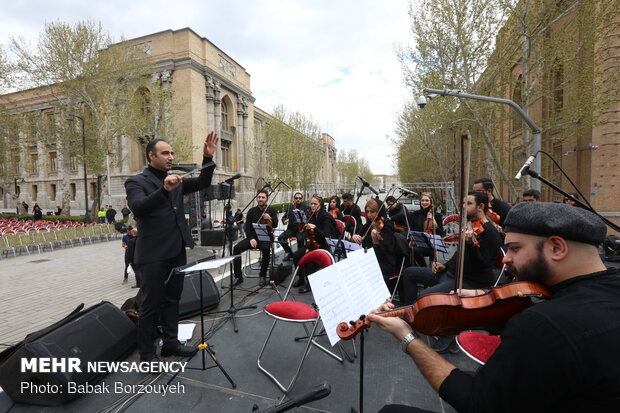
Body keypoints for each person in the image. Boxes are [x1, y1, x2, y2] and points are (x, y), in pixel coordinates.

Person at [369, 201, 619, 413]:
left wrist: (407, 336)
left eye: (514, 248)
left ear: (556, 248)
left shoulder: (543, 324)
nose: (506, 258)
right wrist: (483, 294)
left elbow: (475, 402)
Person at [125, 131, 218, 363]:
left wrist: (207, 159)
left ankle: (171, 344)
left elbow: (203, 182)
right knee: (149, 306)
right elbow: (139, 207)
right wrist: (164, 190)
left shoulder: (176, 180)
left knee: (173, 300)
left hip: (176, 251)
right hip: (153, 255)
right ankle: (147, 356)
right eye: (165, 153)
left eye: (172, 153)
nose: (170, 157)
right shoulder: (137, 181)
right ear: (151, 156)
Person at [400, 191, 502, 352]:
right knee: (409, 273)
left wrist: (470, 245)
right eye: (463, 203)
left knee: (425, 296)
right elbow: (458, 255)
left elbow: (484, 264)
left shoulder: (491, 234)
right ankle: (411, 317)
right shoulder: (469, 225)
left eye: (467, 203)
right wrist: (445, 265)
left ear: (480, 206)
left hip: (468, 280)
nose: (462, 207)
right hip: (449, 273)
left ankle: (448, 333)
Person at [292, 195, 338, 293]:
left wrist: (315, 228)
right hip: (313, 244)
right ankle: (301, 279)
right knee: (296, 255)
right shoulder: (312, 216)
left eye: (315, 204)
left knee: (310, 257)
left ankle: (309, 284)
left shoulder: (326, 218)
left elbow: (327, 238)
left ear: (320, 205)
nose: (312, 206)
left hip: (325, 246)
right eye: (311, 204)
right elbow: (308, 234)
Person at [232, 190, 279, 287]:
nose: (261, 199)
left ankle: (262, 275)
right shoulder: (251, 211)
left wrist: (270, 218)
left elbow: (275, 225)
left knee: (266, 249)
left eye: (263, 197)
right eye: (259, 197)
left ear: (267, 199)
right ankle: (238, 276)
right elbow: (247, 227)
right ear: (256, 198)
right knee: (236, 249)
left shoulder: (271, 210)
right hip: (253, 238)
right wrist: (251, 238)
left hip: (265, 238)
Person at [351, 198, 399, 288]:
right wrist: (354, 237)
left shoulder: (387, 226)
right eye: (367, 212)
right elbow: (358, 235)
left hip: (384, 261)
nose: (369, 215)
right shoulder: (368, 225)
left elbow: (387, 250)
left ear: (379, 211)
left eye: (372, 212)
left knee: (362, 271)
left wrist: (376, 242)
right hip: (370, 259)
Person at [408, 192, 445, 267]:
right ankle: (418, 268)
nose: (424, 202)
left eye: (427, 200)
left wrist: (435, 224)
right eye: (422, 200)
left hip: (431, 245)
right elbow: (411, 230)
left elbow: (441, 234)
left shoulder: (436, 215)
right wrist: (410, 240)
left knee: (415, 250)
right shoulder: (414, 215)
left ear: (431, 202)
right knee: (407, 249)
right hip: (417, 243)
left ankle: (424, 269)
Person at [278, 192, 306, 260]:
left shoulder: (305, 207)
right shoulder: (290, 207)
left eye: (300, 198)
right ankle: (290, 254)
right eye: (296, 198)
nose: (298, 199)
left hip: (300, 229)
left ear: (302, 199)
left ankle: (300, 256)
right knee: (280, 238)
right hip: (291, 229)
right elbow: (284, 217)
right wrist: (284, 221)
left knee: (300, 239)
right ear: (294, 199)